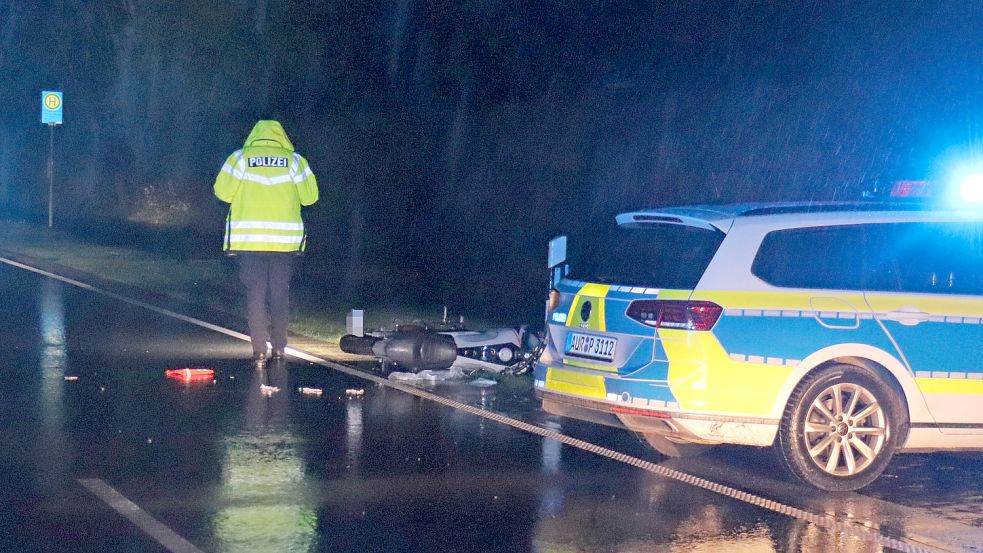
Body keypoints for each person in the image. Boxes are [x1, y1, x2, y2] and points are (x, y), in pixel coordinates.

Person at [214, 120, 319, 369]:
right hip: (284, 244)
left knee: (256, 295)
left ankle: (259, 351)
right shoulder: (295, 161)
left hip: (250, 241)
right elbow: (311, 197)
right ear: (281, 137)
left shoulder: (240, 159)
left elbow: (222, 192)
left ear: (254, 136)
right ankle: (280, 348)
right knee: (280, 294)